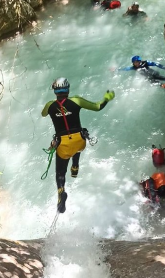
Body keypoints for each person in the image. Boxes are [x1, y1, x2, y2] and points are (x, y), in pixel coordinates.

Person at [42, 78, 115, 213]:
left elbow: (43, 114)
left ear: (55, 91)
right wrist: (106, 98)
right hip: (79, 140)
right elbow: (98, 107)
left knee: (60, 172)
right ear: (68, 90)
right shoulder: (76, 101)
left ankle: (61, 193)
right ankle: (75, 166)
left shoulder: (50, 105)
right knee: (77, 146)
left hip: (62, 143)